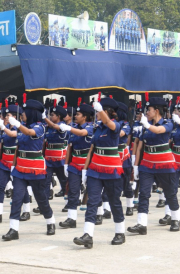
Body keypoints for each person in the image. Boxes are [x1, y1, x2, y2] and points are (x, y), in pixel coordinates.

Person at [72, 97, 126, 248]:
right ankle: (88, 235)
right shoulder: (97, 128)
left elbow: (110, 123)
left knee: (114, 201)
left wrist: (101, 110)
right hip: (95, 169)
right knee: (92, 201)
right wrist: (85, 169)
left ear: (107, 111)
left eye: (99, 111)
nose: (96, 114)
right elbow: (91, 149)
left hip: (111, 169)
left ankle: (119, 232)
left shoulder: (116, 124)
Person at [2, 99, 56, 241]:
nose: (22, 115)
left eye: (24, 112)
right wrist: (14, 165)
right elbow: (18, 147)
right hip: (20, 168)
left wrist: (17, 124)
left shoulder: (40, 127)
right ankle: (13, 229)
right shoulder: (21, 126)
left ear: (32, 113)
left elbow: (29, 132)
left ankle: (50, 221)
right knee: (17, 197)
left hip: (35, 169)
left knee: (41, 199)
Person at [129, 97, 180, 234]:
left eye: (149, 110)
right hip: (147, 163)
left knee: (169, 192)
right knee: (143, 193)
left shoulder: (168, 123)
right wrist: (136, 165)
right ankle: (141, 224)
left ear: (156, 110)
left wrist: (146, 125)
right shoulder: (145, 126)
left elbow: (159, 131)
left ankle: (175, 219)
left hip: (164, 163)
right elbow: (140, 146)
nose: (146, 113)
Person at [0, 102, 25, 224]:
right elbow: (1, 144)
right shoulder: (5, 127)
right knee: (0, 185)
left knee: (20, 188)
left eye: (9, 115)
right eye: (6, 115)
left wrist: (3, 128)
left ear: (15, 116)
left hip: (16, 162)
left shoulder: (20, 127)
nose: (6, 117)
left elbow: (13, 134)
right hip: (4, 161)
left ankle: (26, 210)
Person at [58, 101, 94, 228]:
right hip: (74, 163)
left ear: (84, 117)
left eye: (78, 114)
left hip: (88, 163)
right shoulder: (73, 128)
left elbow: (83, 133)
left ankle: (98, 214)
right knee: (73, 190)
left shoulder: (89, 127)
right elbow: (69, 147)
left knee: (92, 190)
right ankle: (71, 218)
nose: (75, 116)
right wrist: (66, 164)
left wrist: (69, 128)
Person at [39, 101, 69, 214]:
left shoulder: (62, 126)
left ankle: (68, 203)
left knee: (64, 181)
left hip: (60, 158)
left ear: (59, 116)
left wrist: (44, 118)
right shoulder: (48, 128)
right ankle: (44, 205)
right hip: (49, 158)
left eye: (52, 115)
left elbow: (55, 126)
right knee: (45, 181)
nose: (50, 117)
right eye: (49, 115)